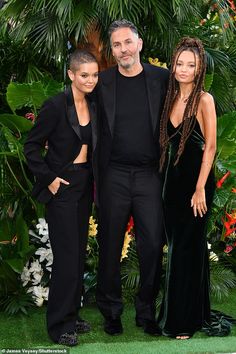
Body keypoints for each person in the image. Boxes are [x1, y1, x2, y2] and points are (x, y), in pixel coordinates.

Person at [95, 19, 169, 336]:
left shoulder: (162, 79)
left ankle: (146, 310)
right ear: (111, 51)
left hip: (150, 174)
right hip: (113, 174)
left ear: (139, 44)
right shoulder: (102, 82)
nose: (123, 49)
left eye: (127, 42)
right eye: (116, 44)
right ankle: (111, 312)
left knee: (152, 244)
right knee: (109, 243)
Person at [24, 50, 99, 346]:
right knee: (67, 258)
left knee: (79, 254)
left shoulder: (94, 103)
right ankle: (58, 326)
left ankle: (72, 314)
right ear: (71, 75)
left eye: (94, 75)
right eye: (84, 75)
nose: (91, 80)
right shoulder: (55, 105)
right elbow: (31, 147)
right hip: (63, 186)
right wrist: (50, 179)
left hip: (85, 185)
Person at [158, 37, 229, 339]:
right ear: (173, 65)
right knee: (182, 248)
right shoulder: (170, 96)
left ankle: (182, 322)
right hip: (171, 186)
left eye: (191, 65)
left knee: (186, 251)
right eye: (180, 63)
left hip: (196, 184)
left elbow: (210, 147)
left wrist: (200, 188)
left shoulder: (205, 100)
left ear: (199, 69)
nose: (184, 69)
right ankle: (196, 312)